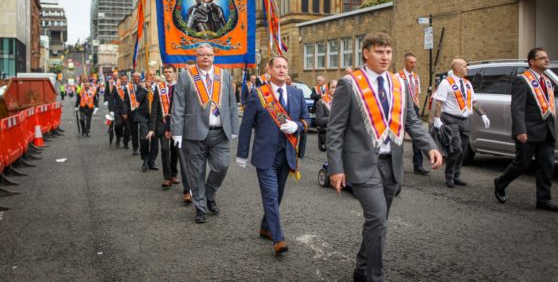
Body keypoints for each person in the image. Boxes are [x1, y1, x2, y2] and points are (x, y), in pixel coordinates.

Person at [326, 32, 443, 282]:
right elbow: (335, 129)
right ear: (366, 53)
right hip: (362, 165)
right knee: (378, 219)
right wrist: (335, 168)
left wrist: (429, 146)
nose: (385, 57)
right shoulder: (349, 84)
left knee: (377, 222)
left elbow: (411, 120)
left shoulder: (399, 83)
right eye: (379, 51)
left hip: (392, 164)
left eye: (388, 52)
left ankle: (361, 267)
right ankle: (374, 277)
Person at [236, 56, 310, 255]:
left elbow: (306, 119)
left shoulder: (296, 94)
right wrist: (242, 154)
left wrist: (298, 125)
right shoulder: (258, 94)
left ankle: (265, 227)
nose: (282, 69)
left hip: (287, 154)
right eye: (278, 66)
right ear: (268, 69)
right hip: (265, 155)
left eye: (285, 66)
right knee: (270, 196)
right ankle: (278, 239)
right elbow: (246, 126)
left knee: (277, 196)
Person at [171, 43, 239, 223]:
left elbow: (232, 103)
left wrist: (234, 127)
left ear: (214, 57)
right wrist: (176, 132)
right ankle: (200, 207)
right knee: (196, 172)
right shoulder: (185, 76)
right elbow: (178, 106)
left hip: (220, 133)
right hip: (193, 133)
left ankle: (209, 193)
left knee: (222, 166)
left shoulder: (224, 75)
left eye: (209, 55)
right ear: (197, 57)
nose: (206, 58)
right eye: (202, 55)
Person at [494, 48, 557, 212]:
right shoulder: (522, 80)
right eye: (542, 58)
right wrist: (520, 130)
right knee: (522, 164)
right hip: (528, 131)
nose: (547, 60)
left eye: (547, 57)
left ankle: (543, 200)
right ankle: (500, 182)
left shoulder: (547, 81)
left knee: (547, 166)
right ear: (532, 62)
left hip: (546, 132)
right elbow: (517, 108)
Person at [432, 59, 490, 188]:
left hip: (465, 120)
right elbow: (439, 103)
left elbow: (474, 102)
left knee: (462, 150)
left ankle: (456, 175)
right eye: (464, 66)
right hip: (450, 119)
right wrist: (437, 119)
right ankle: (449, 175)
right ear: (457, 68)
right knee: (456, 148)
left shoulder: (467, 83)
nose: (467, 69)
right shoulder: (446, 83)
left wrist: (483, 114)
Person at [147, 65, 191, 201]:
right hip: (161, 125)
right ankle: (167, 177)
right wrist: (152, 128)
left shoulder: (180, 87)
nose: (167, 74)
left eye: (170, 72)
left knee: (175, 151)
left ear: (175, 73)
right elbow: (154, 109)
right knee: (165, 149)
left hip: (177, 125)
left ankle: (173, 173)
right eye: (165, 72)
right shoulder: (159, 89)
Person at [397, 53, 429, 175]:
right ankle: (398, 166)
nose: (413, 65)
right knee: (399, 138)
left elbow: (417, 93)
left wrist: (417, 106)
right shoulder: (397, 76)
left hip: (413, 110)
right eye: (411, 62)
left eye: (415, 62)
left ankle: (418, 165)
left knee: (417, 138)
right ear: (405, 62)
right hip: (401, 109)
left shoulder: (416, 77)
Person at [109, 74, 130, 149]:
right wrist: (111, 110)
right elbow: (111, 99)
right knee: (118, 125)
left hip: (128, 111)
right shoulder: (115, 88)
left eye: (125, 79)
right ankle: (118, 137)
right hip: (118, 111)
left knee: (128, 128)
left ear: (127, 79)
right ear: (120, 80)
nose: (124, 80)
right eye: (122, 79)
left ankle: (125, 142)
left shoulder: (130, 87)